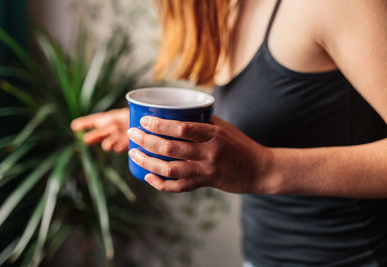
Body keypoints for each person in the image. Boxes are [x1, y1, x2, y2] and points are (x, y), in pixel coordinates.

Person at [71, 0, 387, 265]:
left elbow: (264, 156)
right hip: (262, 256)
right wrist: (161, 124)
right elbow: (277, 111)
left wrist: (264, 168)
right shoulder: (229, 8)